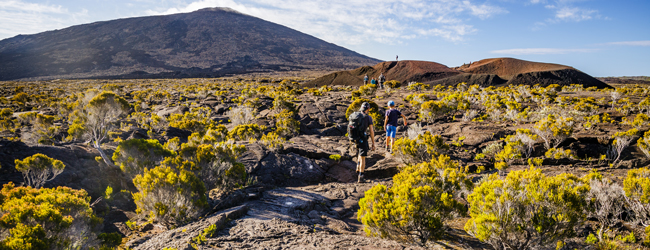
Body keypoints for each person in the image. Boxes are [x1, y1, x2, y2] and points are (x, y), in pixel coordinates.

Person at [352, 102, 375, 183]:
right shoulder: (368, 118)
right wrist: (373, 143)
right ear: (368, 109)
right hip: (363, 138)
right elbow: (371, 131)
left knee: (359, 152)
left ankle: (358, 167)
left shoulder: (356, 115)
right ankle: (361, 176)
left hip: (355, 138)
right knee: (363, 157)